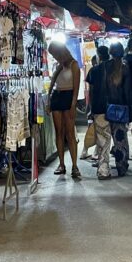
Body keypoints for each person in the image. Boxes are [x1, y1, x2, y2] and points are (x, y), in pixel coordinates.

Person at [48, 41, 81, 178]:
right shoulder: (59, 66)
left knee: (70, 133)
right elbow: (53, 84)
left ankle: (74, 165)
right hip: (57, 97)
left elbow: (76, 89)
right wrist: (49, 99)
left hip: (68, 97)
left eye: (55, 54)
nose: (54, 57)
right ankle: (61, 164)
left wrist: (73, 105)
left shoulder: (74, 65)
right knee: (59, 132)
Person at [104, 42, 132, 178]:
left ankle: (118, 162)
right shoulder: (125, 68)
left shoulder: (106, 66)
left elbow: (103, 89)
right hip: (122, 107)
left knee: (114, 139)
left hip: (109, 107)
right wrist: (130, 109)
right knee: (121, 137)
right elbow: (127, 92)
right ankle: (122, 165)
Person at [80, 50, 105, 160]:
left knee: (93, 129)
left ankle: (89, 151)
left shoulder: (93, 71)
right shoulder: (103, 71)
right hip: (98, 106)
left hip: (94, 105)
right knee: (96, 131)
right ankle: (93, 152)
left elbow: (91, 91)